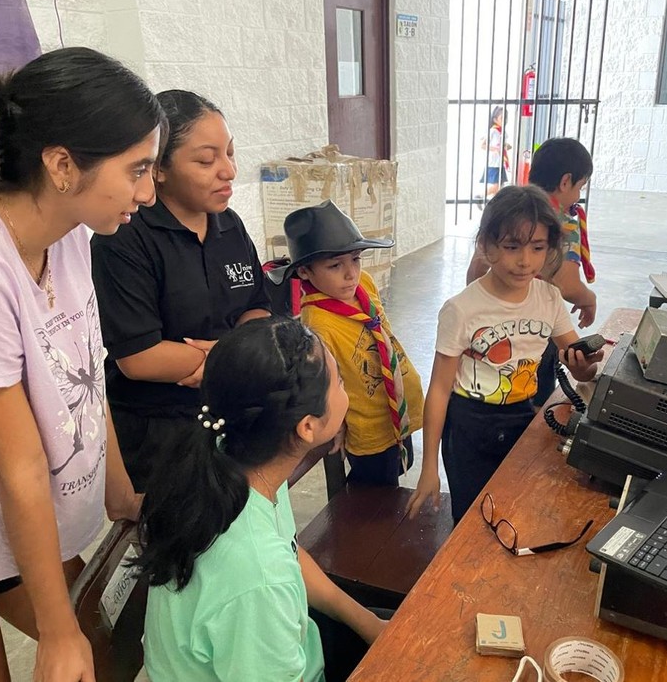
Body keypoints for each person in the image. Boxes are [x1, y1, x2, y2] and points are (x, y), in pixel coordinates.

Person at [0, 47, 162, 681]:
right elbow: (21, 464)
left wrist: (120, 491)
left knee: (105, 646)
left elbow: (87, 373)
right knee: (68, 650)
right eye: (137, 169)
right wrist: (56, 633)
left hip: (7, 518)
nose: (146, 192)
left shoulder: (71, 239)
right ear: (62, 165)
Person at [138, 317, 388, 682]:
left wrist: (368, 623)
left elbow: (288, 552)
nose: (344, 388)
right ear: (307, 427)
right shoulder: (258, 575)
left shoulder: (236, 456)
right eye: (339, 382)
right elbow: (269, 574)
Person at [91, 90, 271, 492]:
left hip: (233, 408)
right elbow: (138, 357)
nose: (228, 170)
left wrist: (223, 360)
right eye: (207, 160)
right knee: (183, 544)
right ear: (159, 170)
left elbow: (257, 309)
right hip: (160, 431)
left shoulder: (229, 226)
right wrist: (233, 357)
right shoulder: (124, 238)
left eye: (230, 153)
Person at [405, 185, 604, 523]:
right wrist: (429, 468)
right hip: (470, 427)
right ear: (486, 246)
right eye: (512, 247)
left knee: (516, 512)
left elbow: (579, 367)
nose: (525, 261)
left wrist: (583, 367)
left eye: (537, 247)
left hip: (523, 418)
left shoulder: (549, 299)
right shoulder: (462, 309)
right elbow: (439, 390)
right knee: (471, 521)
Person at [267, 201, 424, 486]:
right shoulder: (318, 326)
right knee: (377, 492)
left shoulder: (363, 283)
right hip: (369, 427)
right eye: (335, 265)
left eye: (355, 258)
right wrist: (333, 422)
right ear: (305, 272)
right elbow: (324, 382)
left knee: (402, 465)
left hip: (397, 406)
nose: (350, 273)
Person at [466, 137, 598, 404]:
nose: (525, 260)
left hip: (485, 320)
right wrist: (589, 299)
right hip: (531, 332)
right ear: (565, 181)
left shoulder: (505, 209)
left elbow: (475, 271)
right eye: (579, 188)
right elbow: (569, 286)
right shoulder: (559, 223)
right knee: (530, 399)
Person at [478, 106, 511, 201]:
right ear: (495, 119)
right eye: (502, 118)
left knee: (499, 188)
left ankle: (493, 207)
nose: (504, 120)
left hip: (500, 162)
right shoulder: (492, 131)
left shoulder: (503, 132)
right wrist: (495, 149)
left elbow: (504, 145)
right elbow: (482, 145)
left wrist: (506, 146)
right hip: (493, 163)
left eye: (506, 118)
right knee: (496, 186)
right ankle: (479, 197)